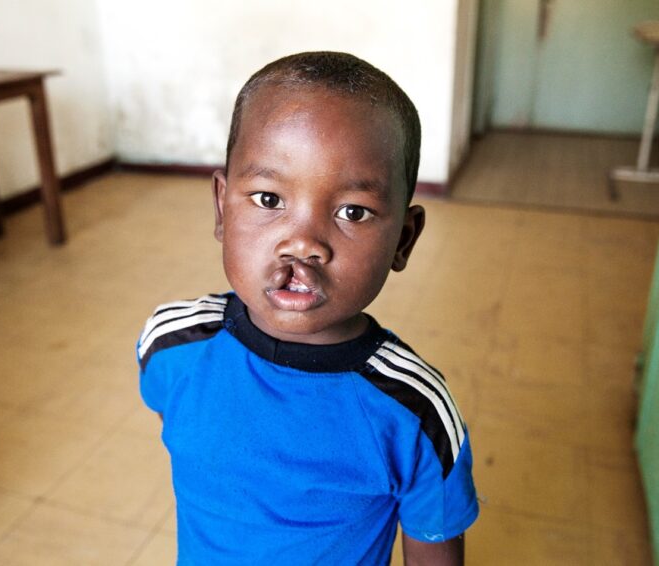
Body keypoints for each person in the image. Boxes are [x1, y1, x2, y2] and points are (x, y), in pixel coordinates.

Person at [137, 51, 478, 565]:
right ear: (221, 209)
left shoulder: (416, 413)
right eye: (269, 200)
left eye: (352, 211)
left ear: (403, 240)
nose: (303, 243)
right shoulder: (170, 347)